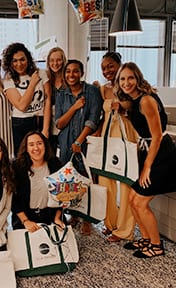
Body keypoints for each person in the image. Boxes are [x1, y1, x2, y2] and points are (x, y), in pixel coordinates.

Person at [115, 62, 176, 258]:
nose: (126, 82)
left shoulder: (146, 100)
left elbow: (157, 136)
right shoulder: (134, 100)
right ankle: (147, 239)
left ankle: (156, 246)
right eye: (122, 79)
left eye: (130, 78)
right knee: (133, 199)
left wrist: (147, 167)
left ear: (138, 78)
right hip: (149, 151)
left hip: (162, 155)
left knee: (140, 202)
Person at [55, 59, 103, 235]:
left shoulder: (92, 92)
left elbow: (93, 119)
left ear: (82, 73)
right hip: (66, 142)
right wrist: (75, 107)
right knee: (70, 181)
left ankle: (87, 219)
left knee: (87, 179)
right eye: (68, 72)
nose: (71, 75)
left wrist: (79, 141)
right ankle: (74, 215)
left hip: (86, 142)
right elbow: (59, 123)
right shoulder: (61, 94)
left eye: (75, 71)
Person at [96, 52, 138, 243]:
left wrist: (122, 107)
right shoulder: (103, 89)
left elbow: (136, 109)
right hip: (107, 137)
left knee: (126, 182)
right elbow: (101, 115)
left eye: (111, 66)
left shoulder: (128, 86)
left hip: (125, 135)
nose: (107, 71)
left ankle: (124, 230)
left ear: (120, 65)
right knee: (106, 182)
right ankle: (110, 223)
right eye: (104, 67)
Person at [2, 42, 51, 157]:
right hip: (20, 123)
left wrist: (46, 129)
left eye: (22, 59)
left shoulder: (41, 73)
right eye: (15, 61)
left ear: (28, 59)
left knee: (42, 158)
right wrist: (33, 83)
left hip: (39, 120)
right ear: (10, 63)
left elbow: (47, 100)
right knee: (22, 160)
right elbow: (22, 106)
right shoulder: (9, 80)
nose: (19, 64)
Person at [11, 131, 65, 232]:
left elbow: (62, 194)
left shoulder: (55, 164)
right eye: (31, 145)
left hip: (51, 216)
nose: (36, 148)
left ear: (45, 145)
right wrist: (26, 221)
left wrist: (57, 218)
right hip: (25, 218)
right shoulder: (17, 167)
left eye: (39, 143)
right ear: (26, 148)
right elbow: (13, 200)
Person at [46, 47, 67, 155]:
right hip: (49, 126)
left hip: (66, 125)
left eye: (58, 60)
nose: (55, 63)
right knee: (50, 156)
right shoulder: (46, 80)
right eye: (52, 60)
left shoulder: (69, 79)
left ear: (63, 61)